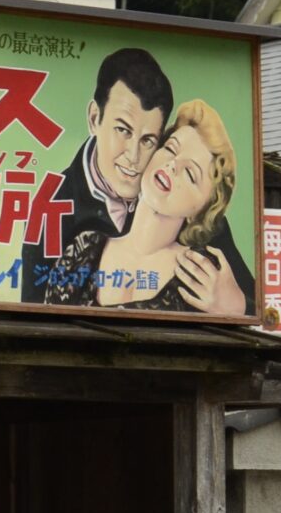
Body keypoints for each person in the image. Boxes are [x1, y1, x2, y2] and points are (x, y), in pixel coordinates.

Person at [36, 99, 255, 317]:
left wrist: (238, 308)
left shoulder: (201, 274)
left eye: (190, 173)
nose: (173, 165)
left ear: (200, 210)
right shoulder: (85, 247)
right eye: (170, 149)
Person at [18, 47, 173, 304]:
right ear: (94, 118)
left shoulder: (178, 192)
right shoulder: (51, 208)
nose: (133, 156)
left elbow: (249, 302)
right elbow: (33, 319)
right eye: (123, 130)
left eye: (147, 140)